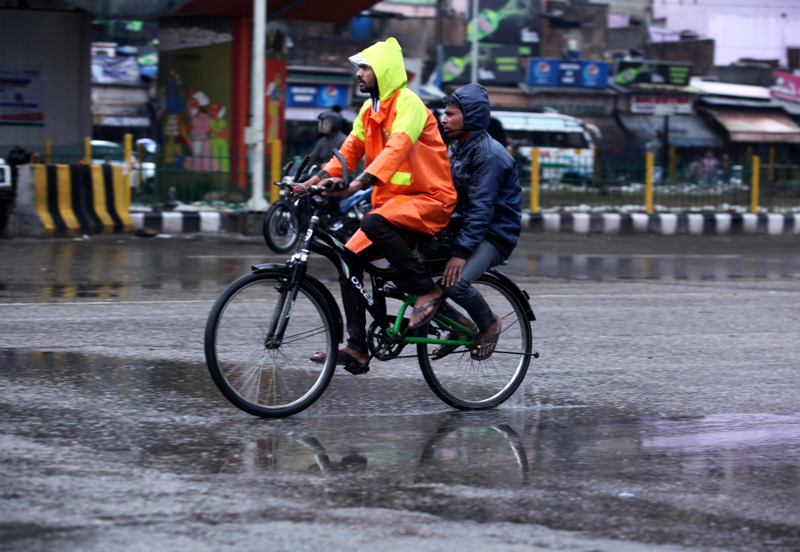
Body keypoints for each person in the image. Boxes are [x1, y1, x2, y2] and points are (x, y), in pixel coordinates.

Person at [300, 38, 457, 374]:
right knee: (348, 259)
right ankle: (357, 347)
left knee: (371, 223)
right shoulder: (369, 111)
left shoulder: (409, 104)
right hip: (394, 206)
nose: (358, 74)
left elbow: (396, 149)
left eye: (365, 68)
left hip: (430, 199)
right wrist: (313, 181)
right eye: (358, 68)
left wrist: (358, 183)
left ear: (383, 71)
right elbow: (348, 152)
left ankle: (428, 291)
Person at [433, 83, 522, 360]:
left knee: (455, 284)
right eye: (444, 114)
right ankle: (461, 325)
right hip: (465, 230)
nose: (443, 120)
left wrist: (460, 253)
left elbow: (481, 209)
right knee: (409, 278)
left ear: (470, 116)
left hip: (494, 235)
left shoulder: (490, 155)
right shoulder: (457, 149)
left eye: (450, 114)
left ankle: (490, 322)